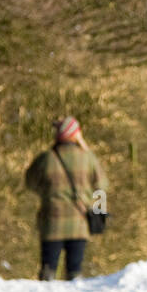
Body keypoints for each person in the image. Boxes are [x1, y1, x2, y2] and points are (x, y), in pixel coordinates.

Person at [24, 116, 109, 281]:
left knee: (48, 269)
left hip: (52, 221)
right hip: (80, 222)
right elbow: (102, 186)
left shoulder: (46, 158)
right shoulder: (88, 158)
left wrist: (46, 193)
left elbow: (30, 183)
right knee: (74, 271)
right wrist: (96, 207)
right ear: (76, 135)